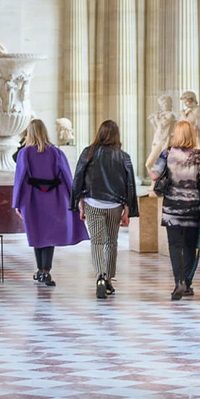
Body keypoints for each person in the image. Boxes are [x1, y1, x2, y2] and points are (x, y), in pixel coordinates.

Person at [12, 119, 88, 287]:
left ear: (29, 133)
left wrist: (16, 202)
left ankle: (41, 270)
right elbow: (67, 176)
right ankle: (45, 271)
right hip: (55, 197)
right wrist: (74, 199)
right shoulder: (56, 152)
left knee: (37, 232)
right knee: (49, 234)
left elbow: (20, 179)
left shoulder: (25, 153)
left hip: (32, 198)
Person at [71, 120, 138, 299]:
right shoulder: (123, 156)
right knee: (111, 242)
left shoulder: (88, 153)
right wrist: (127, 209)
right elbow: (129, 185)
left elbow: (79, 179)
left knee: (97, 242)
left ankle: (100, 275)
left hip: (93, 203)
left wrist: (79, 204)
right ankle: (108, 279)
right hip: (115, 205)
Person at [151, 120, 200, 300]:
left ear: (176, 135)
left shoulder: (167, 153)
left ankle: (178, 281)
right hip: (193, 208)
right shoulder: (199, 156)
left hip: (171, 209)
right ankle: (187, 283)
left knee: (174, 245)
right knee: (189, 246)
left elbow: (154, 174)